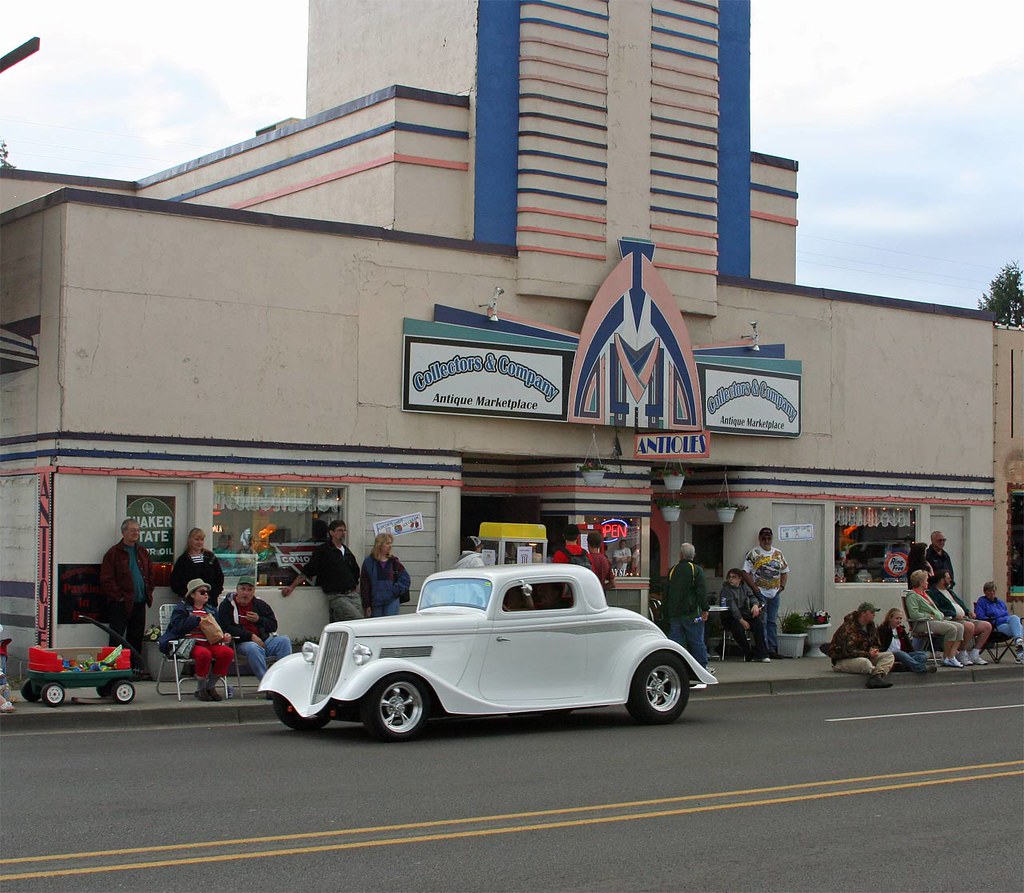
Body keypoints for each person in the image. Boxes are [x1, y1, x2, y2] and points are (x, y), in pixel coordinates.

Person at [162, 578, 234, 701]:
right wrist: (195, 619)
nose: (206, 594)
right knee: (203, 654)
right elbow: (177, 627)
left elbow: (219, 628)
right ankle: (201, 688)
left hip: (210, 642)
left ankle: (210, 686)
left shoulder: (211, 609)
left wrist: (224, 635)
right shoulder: (182, 609)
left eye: (207, 592)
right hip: (191, 643)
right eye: (202, 592)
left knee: (227, 653)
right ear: (192, 595)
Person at [99, 518, 154, 673]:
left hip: (139, 602)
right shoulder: (114, 553)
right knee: (116, 637)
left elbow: (150, 574)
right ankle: (113, 669)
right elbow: (106, 578)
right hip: (120, 604)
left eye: (138, 530)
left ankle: (134, 669)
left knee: (136, 637)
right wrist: (118, 597)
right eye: (132, 530)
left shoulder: (142, 552)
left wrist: (148, 590)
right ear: (124, 532)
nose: (136, 533)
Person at [281, 519, 361, 621]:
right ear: (331, 533)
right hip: (337, 595)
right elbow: (308, 570)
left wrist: (355, 585)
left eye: (344, 530)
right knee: (356, 619)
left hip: (352, 594)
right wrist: (292, 586)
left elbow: (355, 571)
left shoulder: (347, 552)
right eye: (340, 530)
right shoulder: (324, 551)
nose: (343, 533)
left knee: (354, 623)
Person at [217, 576, 291, 685]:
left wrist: (259, 619)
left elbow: (273, 626)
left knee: (284, 640)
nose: (245, 593)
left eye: (249, 590)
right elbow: (226, 627)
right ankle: (267, 684)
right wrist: (250, 636)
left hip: (264, 640)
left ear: (253, 591)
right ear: (237, 590)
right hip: (240, 643)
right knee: (253, 647)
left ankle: (283, 682)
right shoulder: (226, 605)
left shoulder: (260, 604)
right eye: (243, 589)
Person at [664, 543, 712, 673]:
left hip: (675, 613)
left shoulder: (672, 570)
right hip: (691, 613)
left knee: (675, 642)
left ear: (681, 555)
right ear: (693, 555)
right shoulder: (696, 570)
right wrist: (705, 608)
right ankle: (701, 668)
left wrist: (666, 611)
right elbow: (701, 591)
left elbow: (666, 592)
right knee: (696, 641)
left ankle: (675, 667)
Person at [741, 527, 789, 657]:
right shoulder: (753, 553)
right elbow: (745, 572)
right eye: (764, 538)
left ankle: (772, 648)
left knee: (772, 621)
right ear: (759, 539)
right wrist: (755, 588)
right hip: (760, 592)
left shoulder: (778, 553)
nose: (766, 541)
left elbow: (784, 571)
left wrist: (782, 587)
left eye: (769, 538)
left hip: (774, 593)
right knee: (763, 621)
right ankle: (764, 648)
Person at [904, 569, 966, 667]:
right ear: (921, 582)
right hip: (922, 623)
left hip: (935, 621)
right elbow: (914, 614)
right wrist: (929, 616)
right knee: (952, 629)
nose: (927, 582)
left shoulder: (925, 594)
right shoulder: (912, 596)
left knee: (960, 627)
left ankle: (951, 656)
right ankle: (946, 657)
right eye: (926, 580)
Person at [927, 571, 990, 666]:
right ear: (942, 580)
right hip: (951, 619)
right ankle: (962, 652)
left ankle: (975, 653)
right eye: (948, 578)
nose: (950, 580)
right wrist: (954, 614)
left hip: (964, 618)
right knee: (969, 626)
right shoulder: (933, 593)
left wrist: (968, 611)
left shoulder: (950, 591)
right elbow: (938, 609)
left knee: (987, 626)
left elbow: (960, 603)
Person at [828, 602, 895, 688]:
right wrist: (868, 654)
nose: (874, 615)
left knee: (889, 656)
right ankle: (877, 672)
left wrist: (874, 649)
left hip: (865, 656)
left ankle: (876, 677)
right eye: (872, 612)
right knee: (865, 663)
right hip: (843, 660)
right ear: (863, 613)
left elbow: (876, 643)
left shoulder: (871, 626)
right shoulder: (849, 627)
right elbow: (848, 651)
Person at [718, 567, 769, 662]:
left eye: (734, 577)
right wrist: (741, 620)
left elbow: (752, 596)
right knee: (738, 628)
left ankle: (762, 654)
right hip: (730, 616)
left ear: (740, 578)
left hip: (743, 613)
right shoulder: (726, 590)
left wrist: (755, 605)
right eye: (729, 577)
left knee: (758, 624)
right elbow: (732, 607)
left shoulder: (744, 587)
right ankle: (747, 652)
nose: (731, 579)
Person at [170, 527, 225, 607]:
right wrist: (189, 595)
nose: (199, 542)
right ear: (190, 540)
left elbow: (219, 577)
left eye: (201, 540)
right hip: (190, 604)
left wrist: (213, 594)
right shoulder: (183, 560)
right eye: (197, 539)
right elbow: (175, 582)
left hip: (210, 602)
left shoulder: (210, 557)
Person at [360, 533, 411, 617]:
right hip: (375, 603)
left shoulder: (394, 562)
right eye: (387, 543)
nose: (390, 546)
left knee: (391, 624)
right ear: (379, 545)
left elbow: (405, 579)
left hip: (391, 601)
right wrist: (367, 604)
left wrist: (395, 590)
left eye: (391, 543)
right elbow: (365, 584)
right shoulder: (369, 562)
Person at [974, 581, 1024, 663]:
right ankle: (1020, 653)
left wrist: (998, 615)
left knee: (1015, 620)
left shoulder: (1000, 602)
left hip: (1004, 623)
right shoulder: (982, 601)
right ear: (985, 592)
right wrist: (996, 617)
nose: (992, 593)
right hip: (995, 626)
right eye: (989, 591)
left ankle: (1019, 644)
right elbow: (980, 616)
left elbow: (1006, 614)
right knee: (1019, 626)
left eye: (993, 591)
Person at [878, 607, 935, 673]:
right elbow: (881, 646)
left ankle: (908, 666)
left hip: (903, 654)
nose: (899, 621)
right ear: (890, 618)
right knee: (900, 654)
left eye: (900, 618)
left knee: (922, 655)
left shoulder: (901, 630)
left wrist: (911, 654)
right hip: (890, 655)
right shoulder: (883, 630)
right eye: (897, 618)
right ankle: (920, 668)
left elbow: (909, 646)